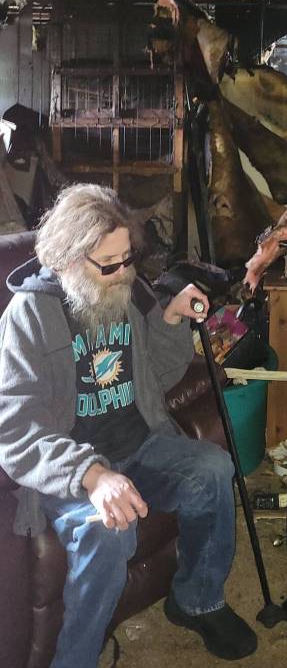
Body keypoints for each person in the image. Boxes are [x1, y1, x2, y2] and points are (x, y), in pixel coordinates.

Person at [0, 184, 257, 668]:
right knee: (108, 530)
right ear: (70, 260)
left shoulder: (120, 291)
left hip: (141, 444)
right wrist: (93, 476)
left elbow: (154, 379)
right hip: (71, 473)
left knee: (212, 468)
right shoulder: (27, 318)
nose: (125, 273)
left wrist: (170, 319)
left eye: (128, 258)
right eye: (110, 264)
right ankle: (74, 660)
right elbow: (15, 433)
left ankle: (197, 599)